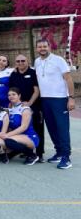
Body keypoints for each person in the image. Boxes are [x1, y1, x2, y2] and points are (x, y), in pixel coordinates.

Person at [34, 39, 75, 169]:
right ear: (37, 49)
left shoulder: (59, 60)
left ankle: (66, 157)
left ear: (49, 47)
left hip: (59, 99)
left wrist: (71, 98)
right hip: (44, 99)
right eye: (40, 47)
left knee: (62, 128)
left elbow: (68, 78)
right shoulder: (37, 61)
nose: (42, 48)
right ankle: (59, 152)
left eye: (44, 46)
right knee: (51, 127)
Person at [9, 54, 43, 161]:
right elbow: (12, 91)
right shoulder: (13, 74)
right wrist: (12, 103)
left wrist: (30, 103)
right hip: (18, 107)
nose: (20, 63)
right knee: (21, 127)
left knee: (37, 128)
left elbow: (36, 91)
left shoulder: (33, 73)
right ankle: (26, 151)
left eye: (23, 61)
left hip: (34, 106)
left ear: (27, 61)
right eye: (18, 61)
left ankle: (39, 153)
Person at [0, 88, 40, 165]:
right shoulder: (10, 109)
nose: (11, 96)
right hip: (17, 136)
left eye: (14, 94)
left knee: (8, 141)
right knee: (5, 145)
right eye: (9, 95)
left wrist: (7, 135)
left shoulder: (25, 109)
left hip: (29, 136)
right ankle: (15, 151)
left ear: (19, 96)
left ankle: (32, 155)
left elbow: (24, 127)